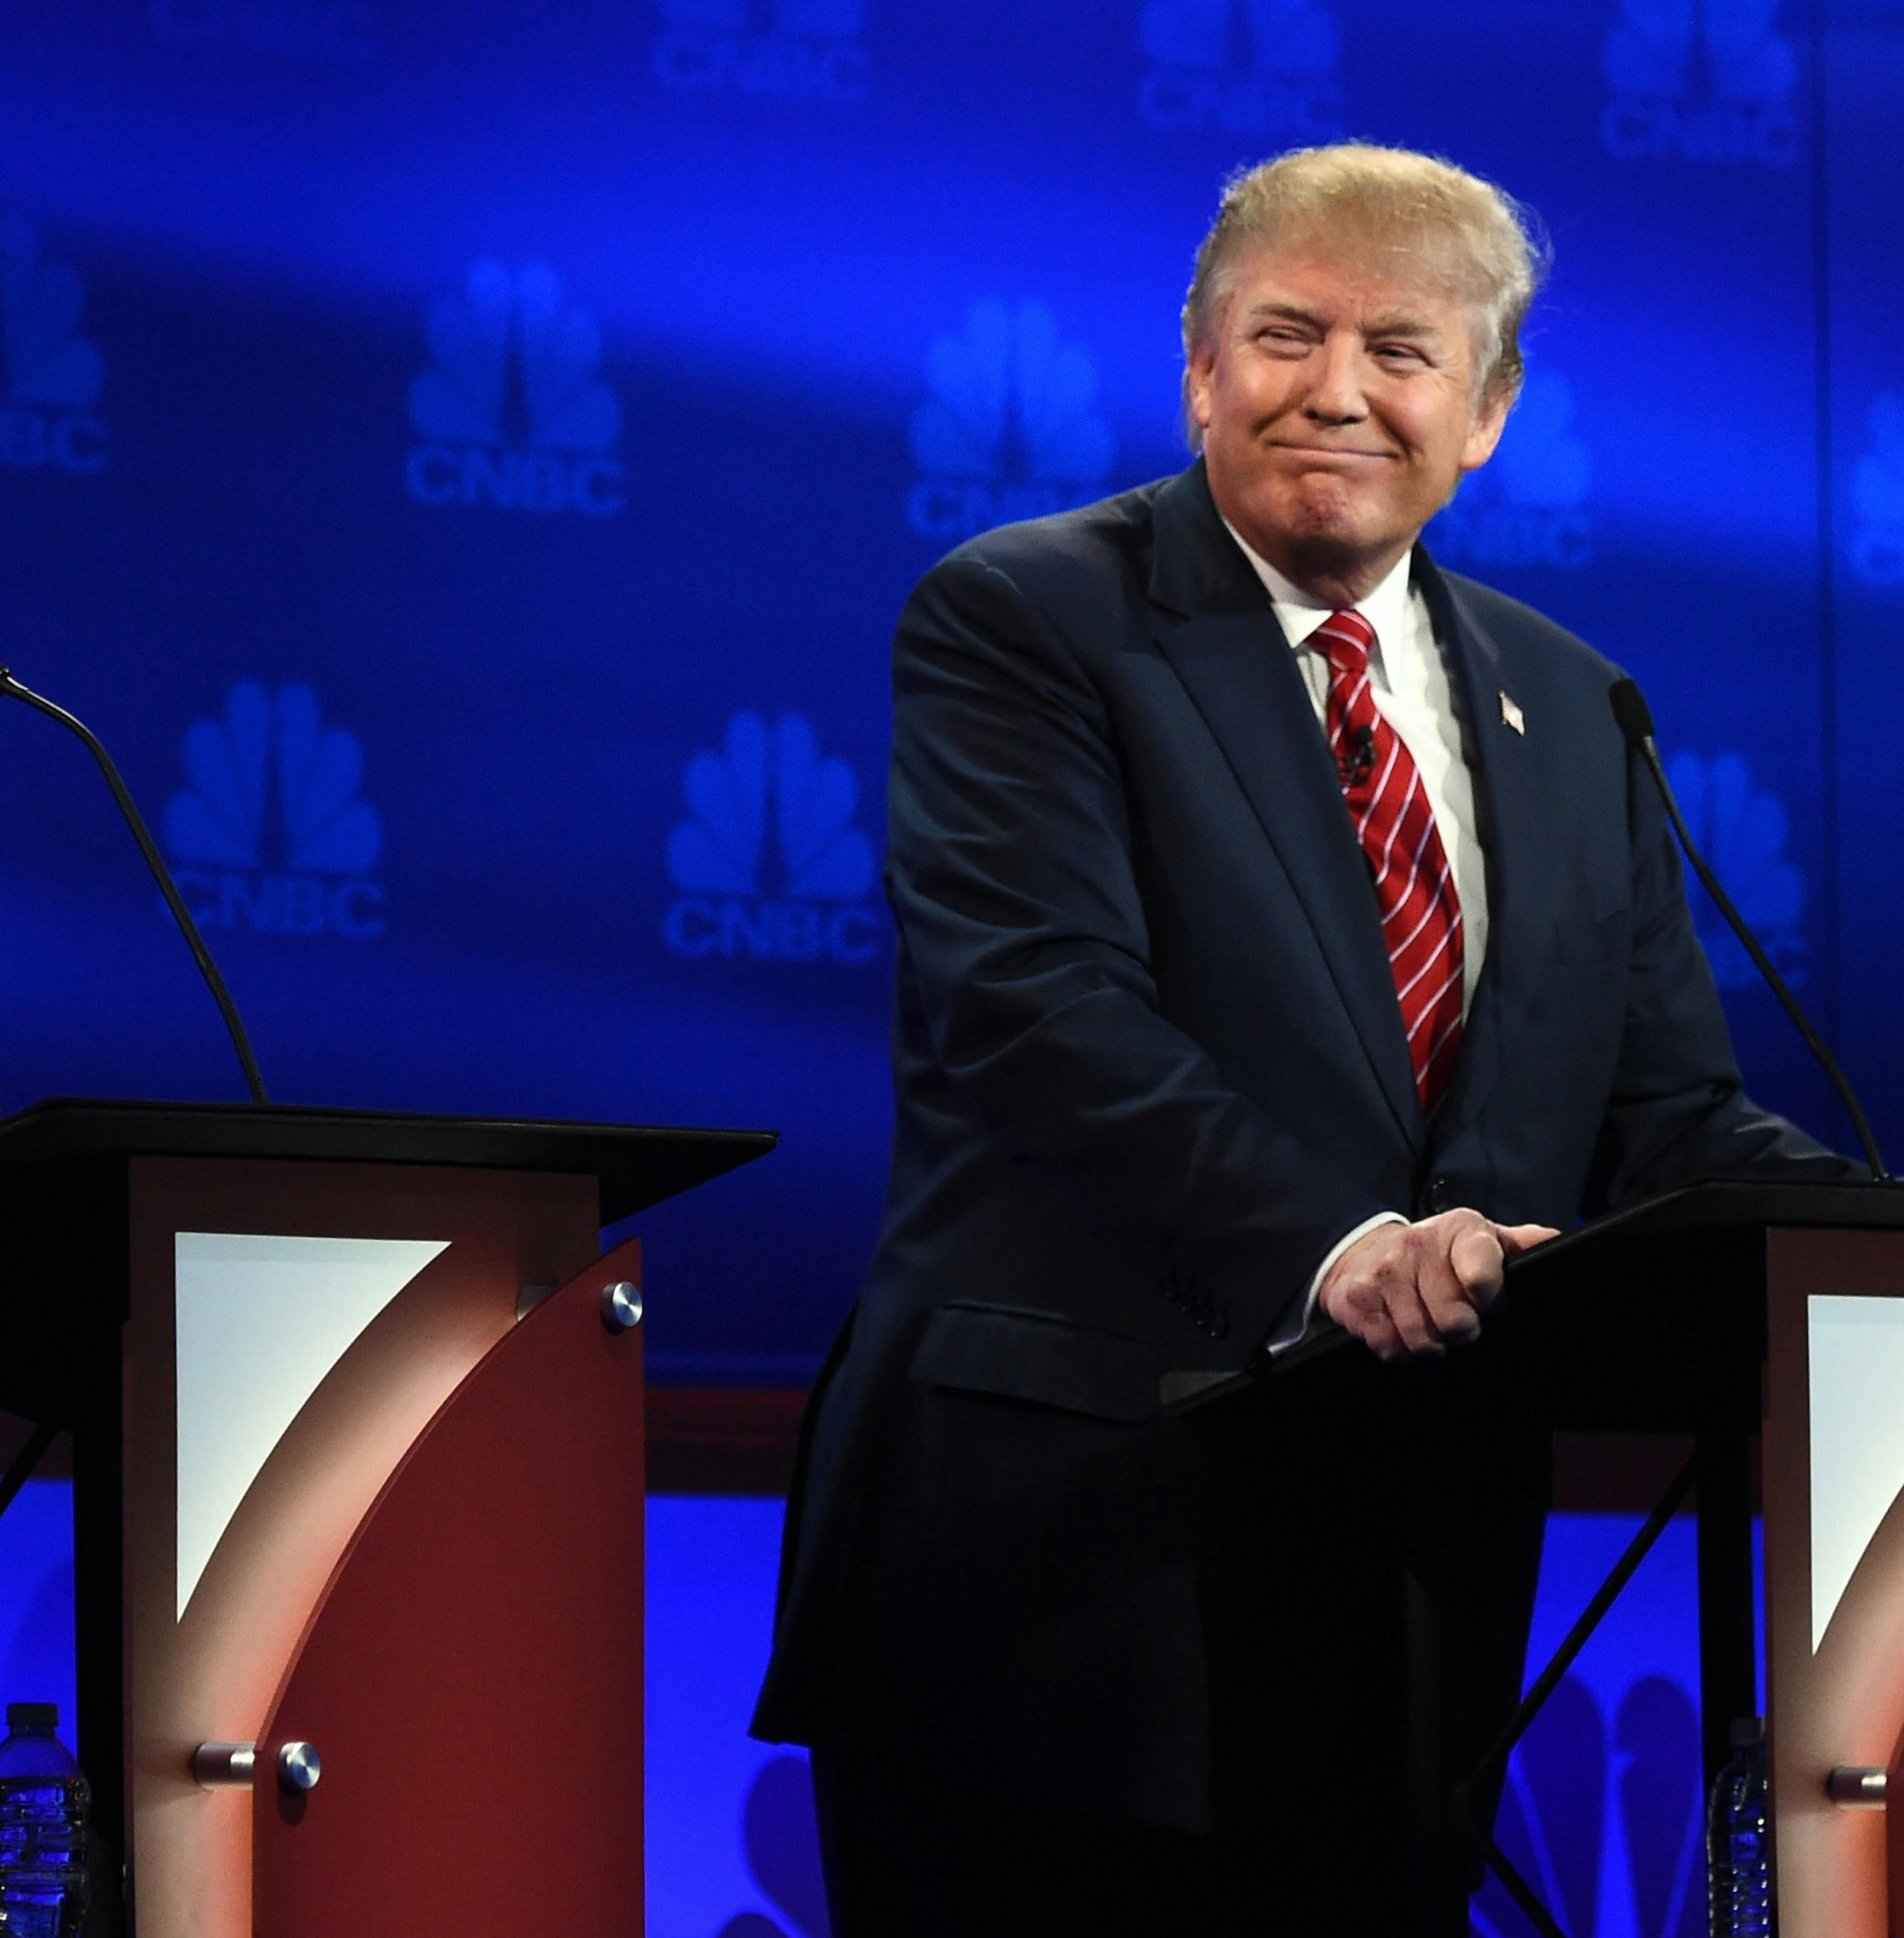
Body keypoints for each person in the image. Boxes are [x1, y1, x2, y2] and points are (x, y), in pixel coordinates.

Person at [754, 142, 1857, 1931]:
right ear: (1201, 370)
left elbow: (1667, 1114)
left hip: (1407, 1593)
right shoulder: (1029, 617)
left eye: (1403, 350)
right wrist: (1340, 1248)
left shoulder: (1574, 702)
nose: (1337, 388)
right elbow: (1039, 1010)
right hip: (1062, 1580)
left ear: (1487, 411)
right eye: (1286, 334)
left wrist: (1873, 1244)